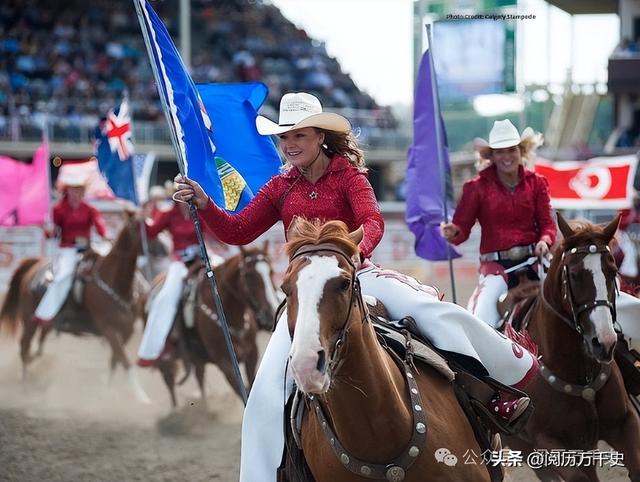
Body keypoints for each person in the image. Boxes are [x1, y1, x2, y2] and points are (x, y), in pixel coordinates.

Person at [173, 93, 539, 482]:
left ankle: (496, 389)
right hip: (307, 292)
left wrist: (351, 253)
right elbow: (238, 230)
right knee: (263, 396)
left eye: (299, 135)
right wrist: (206, 205)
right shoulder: (279, 186)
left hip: (358, 275)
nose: (290, 145)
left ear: (321, 137)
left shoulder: (349, 175)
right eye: (284, 138)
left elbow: (373, 221)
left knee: (436, 313)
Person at [441, 119, 555, 329]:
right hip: (496, 268)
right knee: (480, 318)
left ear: (521, 152)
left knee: (574, 298)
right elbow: (462, 228)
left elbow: (548, 225)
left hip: (535, 262)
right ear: (492, 156)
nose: (507, 156)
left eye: (511, 150)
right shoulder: (475, 188)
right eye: (500, 151)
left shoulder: (537, 183)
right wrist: (453, 231)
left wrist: (545, 241)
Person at [137, 192, 208, 366]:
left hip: (203, 259)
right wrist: (142, 219)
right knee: (165, 297)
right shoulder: (169, 214)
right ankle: (157, 347)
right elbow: (151, 232)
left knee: (229, 279)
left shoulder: (200, 211)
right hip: (180, 263)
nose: (185, 198)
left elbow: (215, 231)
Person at [34, 173, 108, 327]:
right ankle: (45, 314)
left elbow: (100, 225)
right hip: (68, 250)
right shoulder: (59, 209)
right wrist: (47, 229)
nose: (77, 193)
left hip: (87, 249)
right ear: (67, 191)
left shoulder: (89, 209)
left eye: (80, 190)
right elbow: (52, 233)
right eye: (74, 190)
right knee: (63, 276)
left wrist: (105, 234)